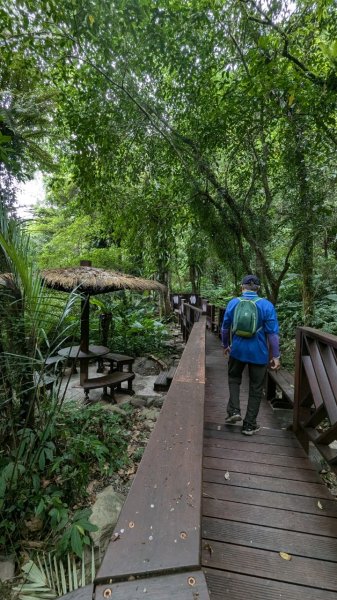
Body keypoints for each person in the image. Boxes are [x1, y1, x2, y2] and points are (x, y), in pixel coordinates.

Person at [221, 274, 280, 435]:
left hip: (238, 350)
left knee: (234, 378)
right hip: (259, 353)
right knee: (256, 388)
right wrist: (276, 356)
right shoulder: (266, 305)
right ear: (258, 289)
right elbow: (273, 334)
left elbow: (225, 327)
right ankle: (249, 425)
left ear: (242, 287)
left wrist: (226, 345)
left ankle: (233, 411)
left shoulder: (233, 303)